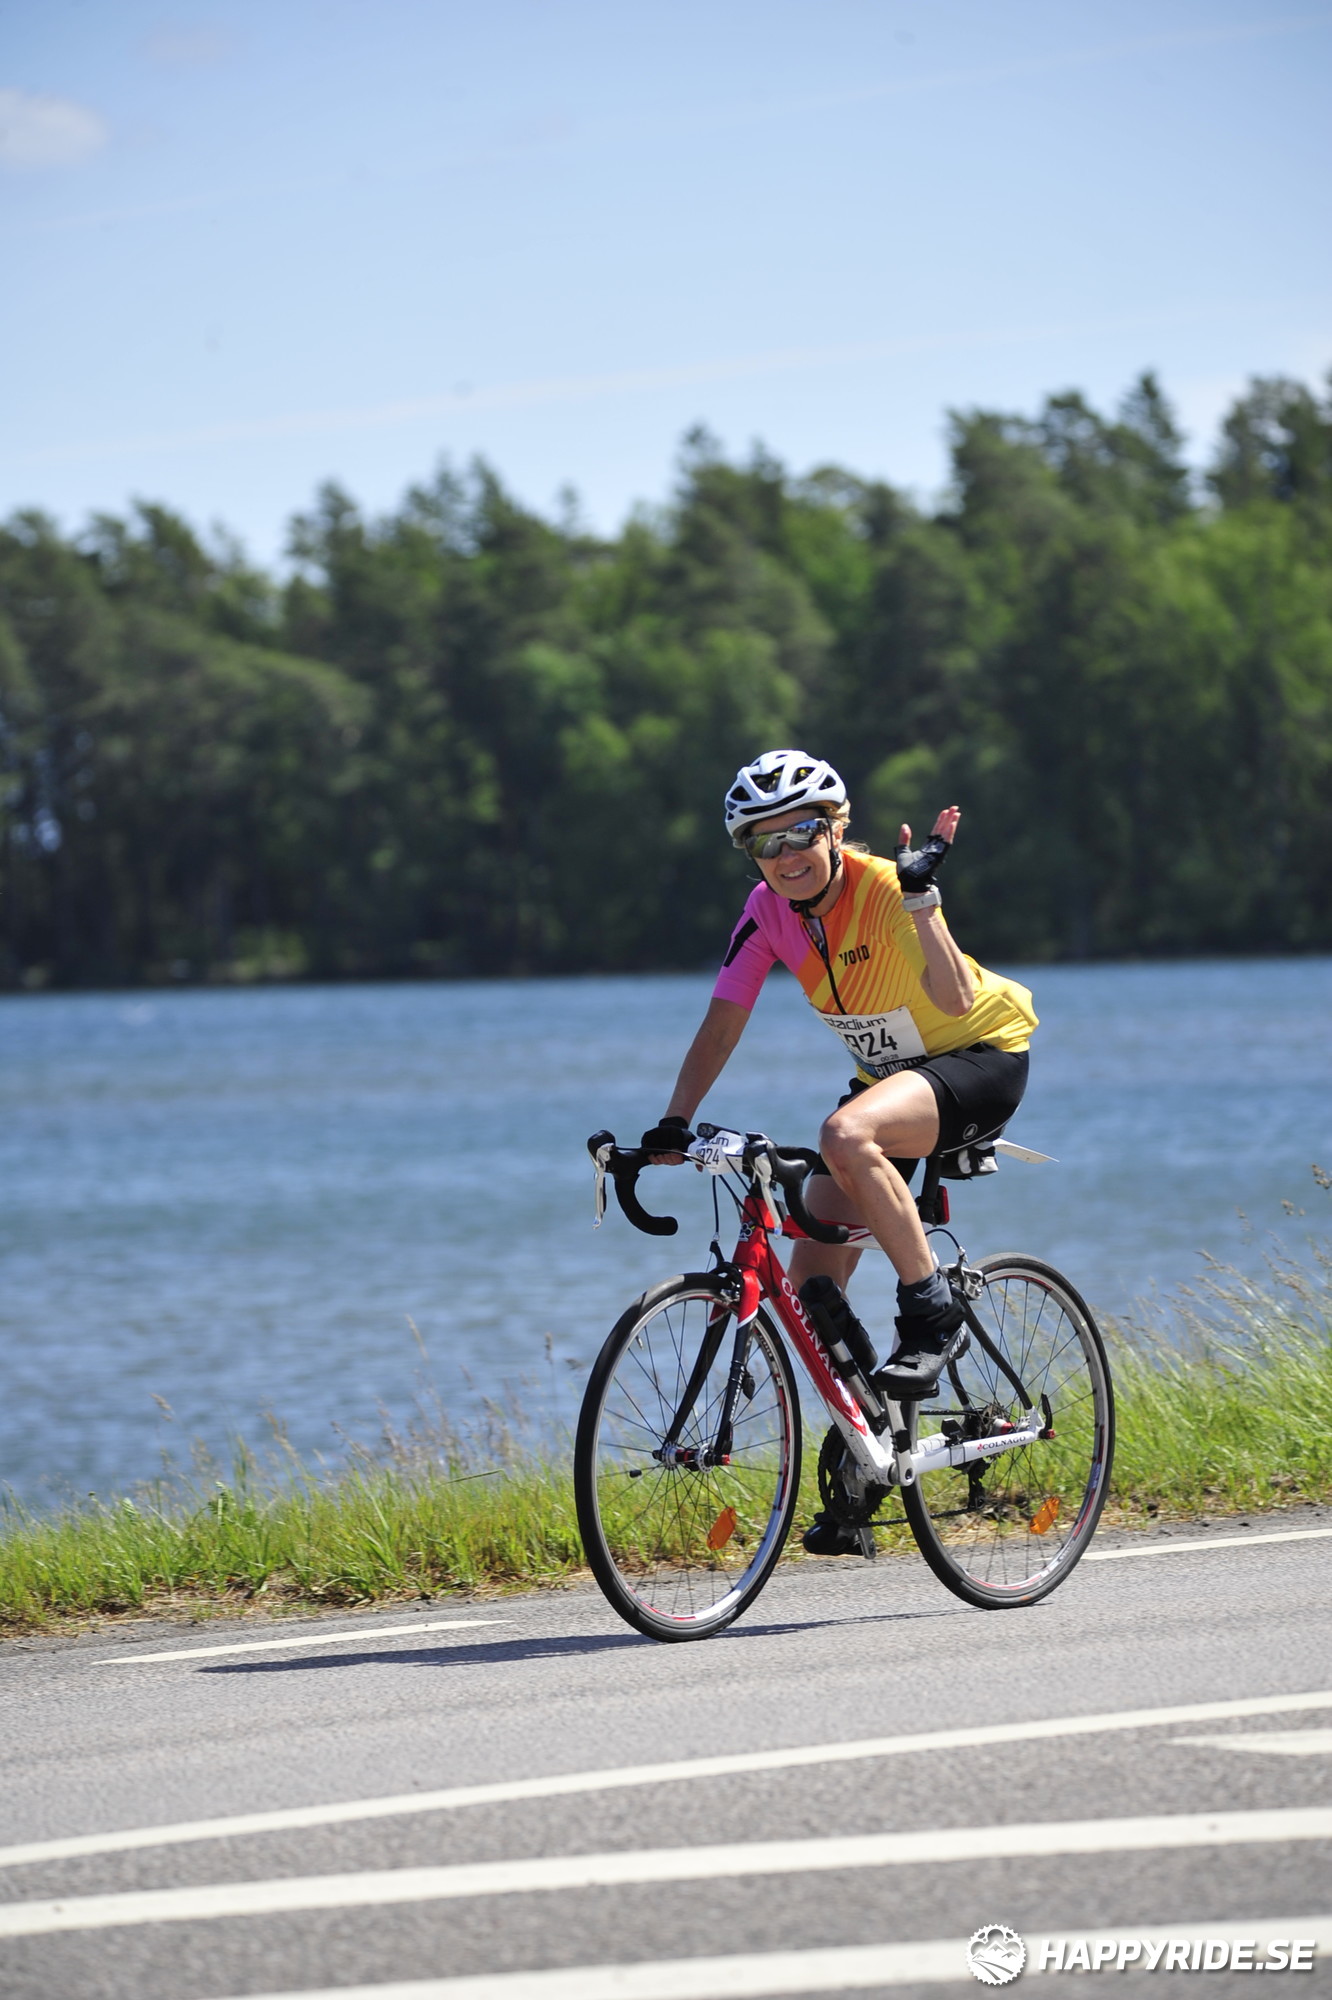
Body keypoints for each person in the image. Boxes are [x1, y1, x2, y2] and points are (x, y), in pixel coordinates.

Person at [640, 748, 1038, 1553]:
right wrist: (674, 1124)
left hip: (980, 1059)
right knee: (810, 1283)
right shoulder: (766, 911)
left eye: (801, 832)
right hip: (888, 1081)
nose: (786, 854)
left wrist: (922, 901)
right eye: (766, 842)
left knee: (845, 1133)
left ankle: (932, 1313)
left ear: (835, 828)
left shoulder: (885, 887)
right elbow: (723, 1021)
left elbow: (957, 996)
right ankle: (869, 1455)